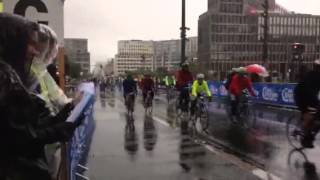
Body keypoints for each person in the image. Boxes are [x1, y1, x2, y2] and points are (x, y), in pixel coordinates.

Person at [0, 13, 82, 180]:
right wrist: (59, 129)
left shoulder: (11, 75)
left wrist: (62, 115)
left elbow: (25, 128)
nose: (36, 51)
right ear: (13, 42)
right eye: (29, 43)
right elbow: (19, 140)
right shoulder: (5, 79)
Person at [294, 59, 320, 148]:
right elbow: (308, 91)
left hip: (311, 97)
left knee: (317, 119)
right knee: (308, 117)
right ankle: (304, 137)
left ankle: (310, 136)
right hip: (301, 96)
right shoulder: (310, 76)